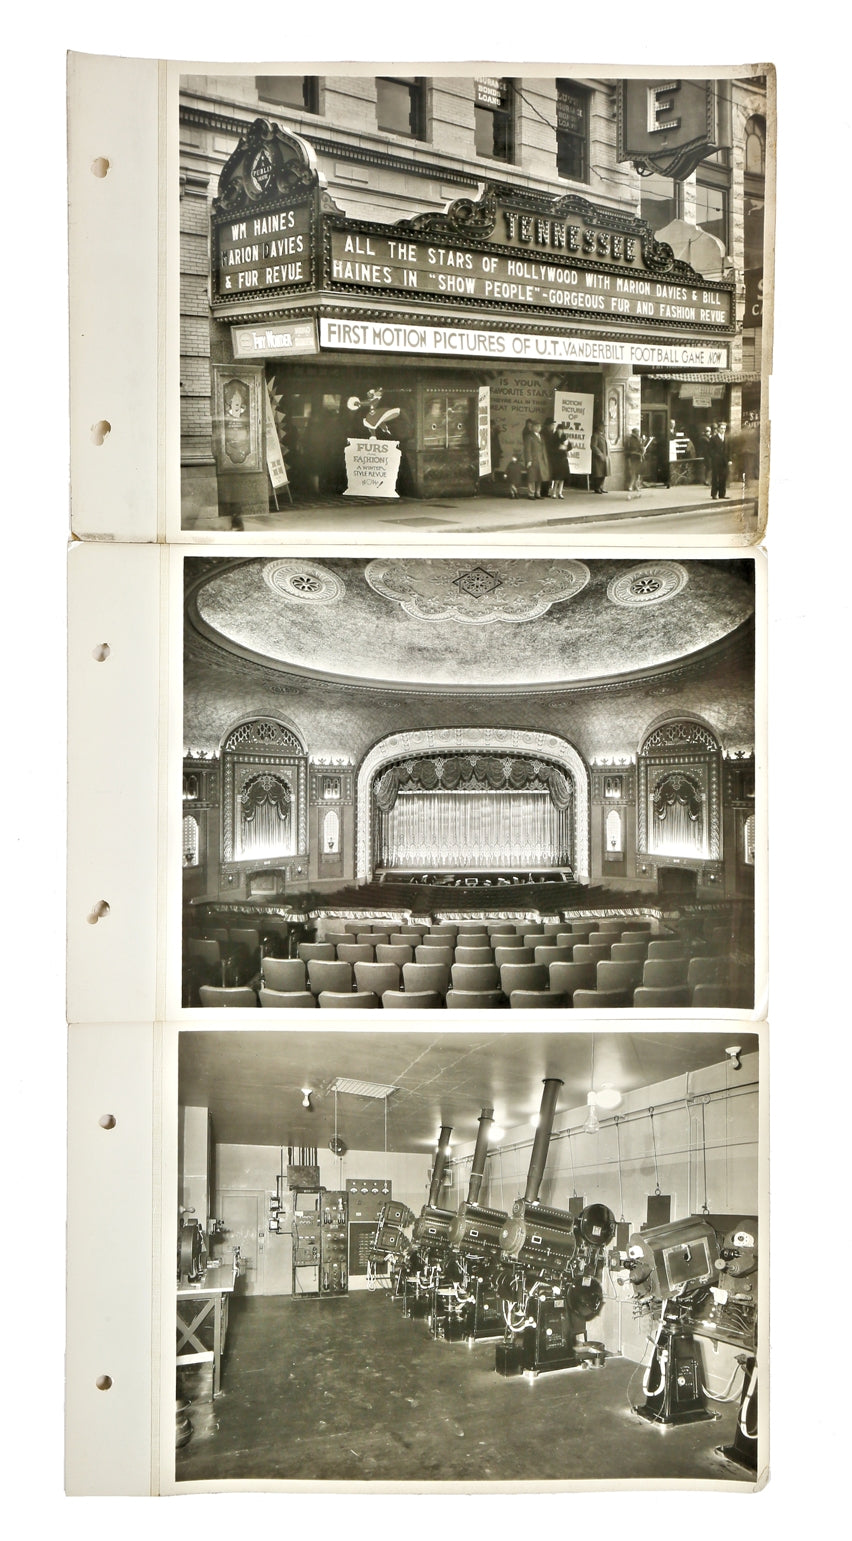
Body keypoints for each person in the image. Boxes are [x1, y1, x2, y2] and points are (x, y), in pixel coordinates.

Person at [522, 418, 550, 498]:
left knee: (540, 477)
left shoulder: (541, 436)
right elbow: (527, 449)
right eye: (536, 426)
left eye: (539, 426)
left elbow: (543, 449)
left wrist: (545, 459)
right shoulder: (529, 436)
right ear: (533, 427)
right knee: (532, 477)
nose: (538, 428)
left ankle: (538, 493)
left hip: (541, 460)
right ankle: (531, 493)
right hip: (533, 460)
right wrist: (529, 460)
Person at [546, 420, 571, 498]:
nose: (560, 431)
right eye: (559, 429)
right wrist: (559, 448)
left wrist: (566, 447)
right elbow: (550, 448)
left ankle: (560, 493)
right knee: (556, 478)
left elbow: (570, 447)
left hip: (563, 459)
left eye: (561, 430)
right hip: (556, 459)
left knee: (562, 478)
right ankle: (554, 492)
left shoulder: (565, 437)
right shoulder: (553, 437)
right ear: (557, 430)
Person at [708, 422, 730, 499]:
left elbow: (728, 450)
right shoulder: (713, 438)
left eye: (724, 428)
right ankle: (714, 494)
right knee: (715, 478)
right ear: (718, 429)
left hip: (724, 461)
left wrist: (729, 459)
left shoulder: (726, 438)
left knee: (723, 478)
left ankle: (722, 494)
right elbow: (710, 450)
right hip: (716, 461)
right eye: (721, 428)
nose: (723, 430)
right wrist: (715, 457)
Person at [590, 424, 611, 493]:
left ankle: (601, 487)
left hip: (605, 457)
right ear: (599, 427)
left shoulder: (604, 435)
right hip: (598, 458)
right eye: (603, 426)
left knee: (604, 473)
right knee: (598, 474)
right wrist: (599, 454)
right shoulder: (595, 435)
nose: (604, 428)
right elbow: (593, 446)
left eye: (604, 427)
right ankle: (597, 487)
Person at [624, 427, 644, 492]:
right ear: (634, 433)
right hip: (634, 458)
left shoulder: (636, 439)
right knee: (634, 473)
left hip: (635, 457)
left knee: (636, 473)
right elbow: (640, 448)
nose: (638, 433)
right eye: (637, 432)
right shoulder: (633, 440)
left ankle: (635, 486)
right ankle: (631, 486)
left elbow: (640, 448)